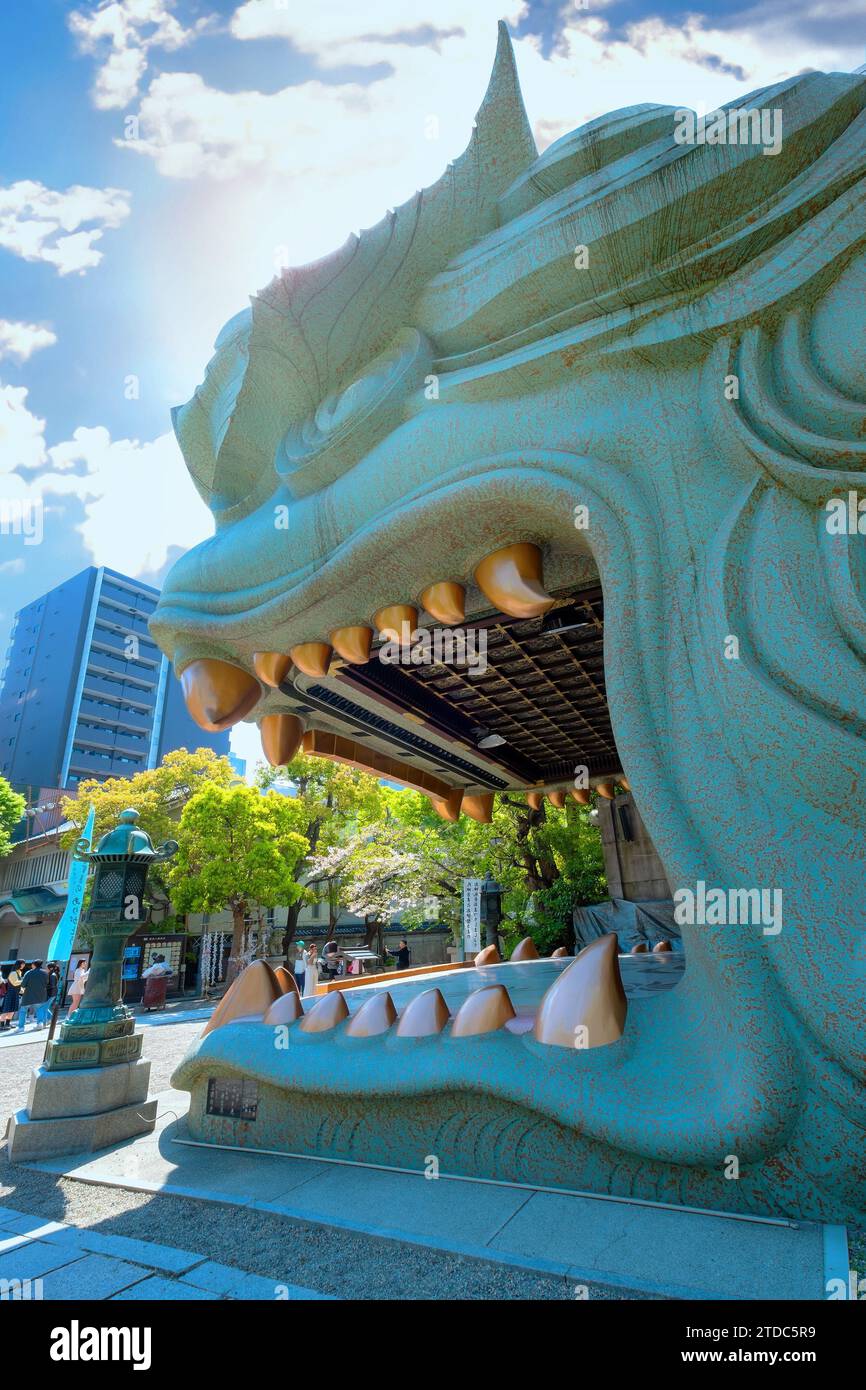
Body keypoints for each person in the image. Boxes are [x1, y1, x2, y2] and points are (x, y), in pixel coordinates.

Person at [17, 959, 50, 1030]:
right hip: (41, 995)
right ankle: (40, 1023)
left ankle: (21, 1027)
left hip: (28, 995)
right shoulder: (45, 973)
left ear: (34, 965)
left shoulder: (29, 973)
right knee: (39, 1009)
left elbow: (23, 984)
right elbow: (47, 983)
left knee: (23, 1010)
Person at [0, 962, 24, 1031]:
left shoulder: (19, 972)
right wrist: (23, 980)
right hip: (10, 994)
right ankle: (1, 1025)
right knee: (6, 1010)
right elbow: (15, 983)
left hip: (15, 993)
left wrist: (22, 990)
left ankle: (7, 1023)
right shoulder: (13, 973)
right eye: (22, 964)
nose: (23, 965)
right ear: (18, 964)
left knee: (12, 1009)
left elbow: (18, 984)